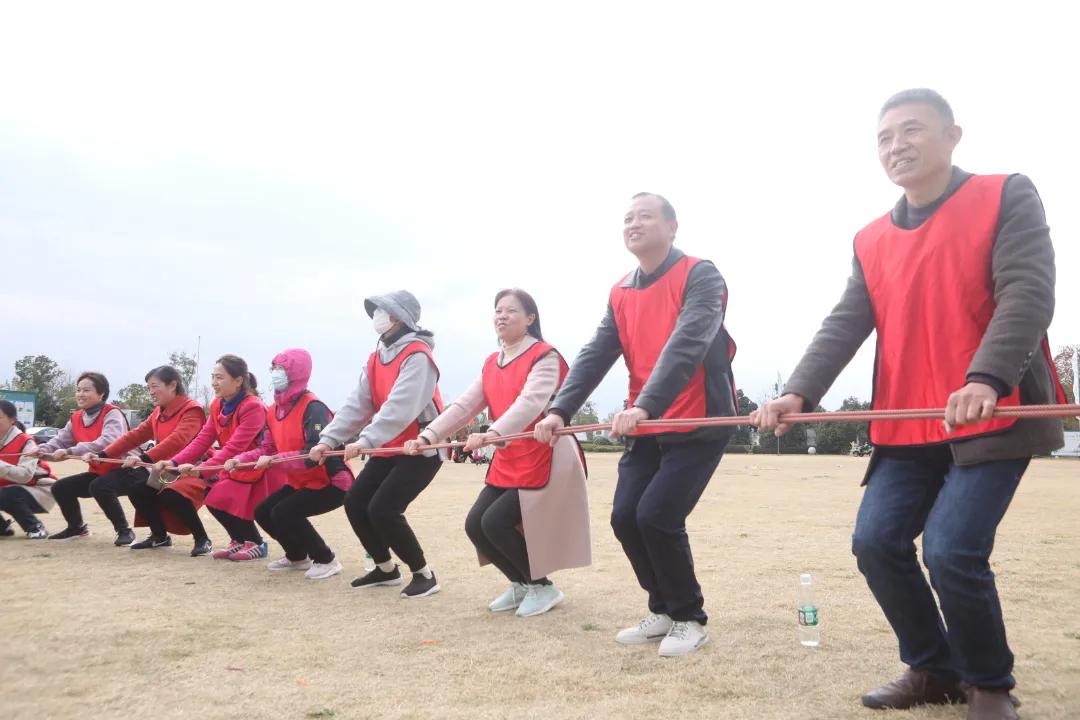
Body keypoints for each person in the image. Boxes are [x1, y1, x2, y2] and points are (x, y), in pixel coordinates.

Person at [751, 89, 1063, 720]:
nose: (897, 145)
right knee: (876, 542)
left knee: (952, 550)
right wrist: (797, 391)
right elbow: (846, 321)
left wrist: (987, 377)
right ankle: (933, 668)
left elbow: (1029, 290)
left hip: (991, 415)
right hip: (906, 420)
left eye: (911, 130)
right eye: (885, 137)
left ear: (953, 135)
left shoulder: (1005, 194)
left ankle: (990, 685)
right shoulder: (872, 238)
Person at [534, 192, 737, 657]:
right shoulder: (621, 290)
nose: (634, 224)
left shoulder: (701, 275)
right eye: (627, 218)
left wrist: (646, 405)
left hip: (697, 419)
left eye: (645, 216)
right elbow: (595, 354)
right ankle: (663, 608)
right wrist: (558, 410)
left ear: (672, 226)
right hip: (643, 423)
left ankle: (689, 617)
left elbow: (687, 343)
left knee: (658, 516)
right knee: (626, 517)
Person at [405, 289, 590, 617]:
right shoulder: (492, 363)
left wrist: (492, 433)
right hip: (509, 456)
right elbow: (465, 405)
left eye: (511, 310)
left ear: (530, 318)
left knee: (496, 522)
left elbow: (530, 402)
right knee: (476, 524)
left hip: (542, 455)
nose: (501, 316)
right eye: (498, 310)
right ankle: (520, 584)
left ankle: (542, 587)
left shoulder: (544, 356)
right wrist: (428, 435)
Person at [309, 290, 445, 599]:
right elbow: (357, 404)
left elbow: (401, 407)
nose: (376, 318)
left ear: (399, 317)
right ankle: (385, 568)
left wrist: (365, 440)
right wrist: (328, 439)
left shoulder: (418, 355)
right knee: (356, 502)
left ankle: (423, 574)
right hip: (388, 447)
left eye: (382, 312)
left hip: (419, 447)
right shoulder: (376, 358)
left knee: (384, 508)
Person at [141, 354, 273, 559]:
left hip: (255, 465)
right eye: (213, 377)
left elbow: (234, 446)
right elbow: (203, 439)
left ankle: (256, 543)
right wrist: (175, 462)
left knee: (229, 499)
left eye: (219, 378)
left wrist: (201, 469)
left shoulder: (253, 406)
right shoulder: (217, 405)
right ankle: (239, 540)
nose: (214, 383)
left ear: (238, 381)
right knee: (214, 500)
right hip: (232, 466)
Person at [236, 348, 351, 580]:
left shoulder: (313, 407)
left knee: (285, 511)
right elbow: (267, 449)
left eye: (281, 369)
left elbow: (313, 455)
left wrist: (275, 461)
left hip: (331, 482)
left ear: (296, 372)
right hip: (302, 482)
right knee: (264, 511)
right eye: (274, 369)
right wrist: (239, 459)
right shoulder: (273, 410)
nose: (275, 374)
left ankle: (326, 559)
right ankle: (297, 555)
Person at [71, 366, 205, 546]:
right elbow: (135, 435)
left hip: (190, 468)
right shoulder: (159, 412)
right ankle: (160, 537)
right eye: (148, 387)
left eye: (154, 386)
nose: (151, 392)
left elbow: (178, 440)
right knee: (138, 490)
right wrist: (102, 454)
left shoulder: (192, 409)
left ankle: (203, 540)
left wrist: (144, 459)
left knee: (173, 495)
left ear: (172, 385)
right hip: (166, 468)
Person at [36, 372, 130, 542]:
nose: (80, 394)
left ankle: (125, 531)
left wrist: (71, 451)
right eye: (78, 390)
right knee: (60, 487)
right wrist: (40, 450)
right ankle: (76, 528)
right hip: (100, 472)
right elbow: (60, 441)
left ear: (101, 394)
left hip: (125, 470)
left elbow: (109, 441)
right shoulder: (76, 417)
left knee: (99, 486)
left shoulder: (112, 413)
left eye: (86, 390)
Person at [0, 400, 55, 538]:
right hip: (10, 490)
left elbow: (25, 476)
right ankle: (2, 527)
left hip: (39, 491)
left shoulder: (26, 441)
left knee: (10, 493)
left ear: (12, 420)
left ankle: (35, 527)